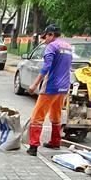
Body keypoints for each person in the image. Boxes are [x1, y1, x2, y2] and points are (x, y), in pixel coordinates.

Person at [26, 24, 75, 155]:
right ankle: (55, 142)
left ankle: (33, 146)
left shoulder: (51, 46)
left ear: (51, 35)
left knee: (37, 116)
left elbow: (46, 67)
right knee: (56, 114)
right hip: (64, 86)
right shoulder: (68, 47)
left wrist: (34, 84)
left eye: (46, 36)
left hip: (51, 86)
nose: (45, 40)